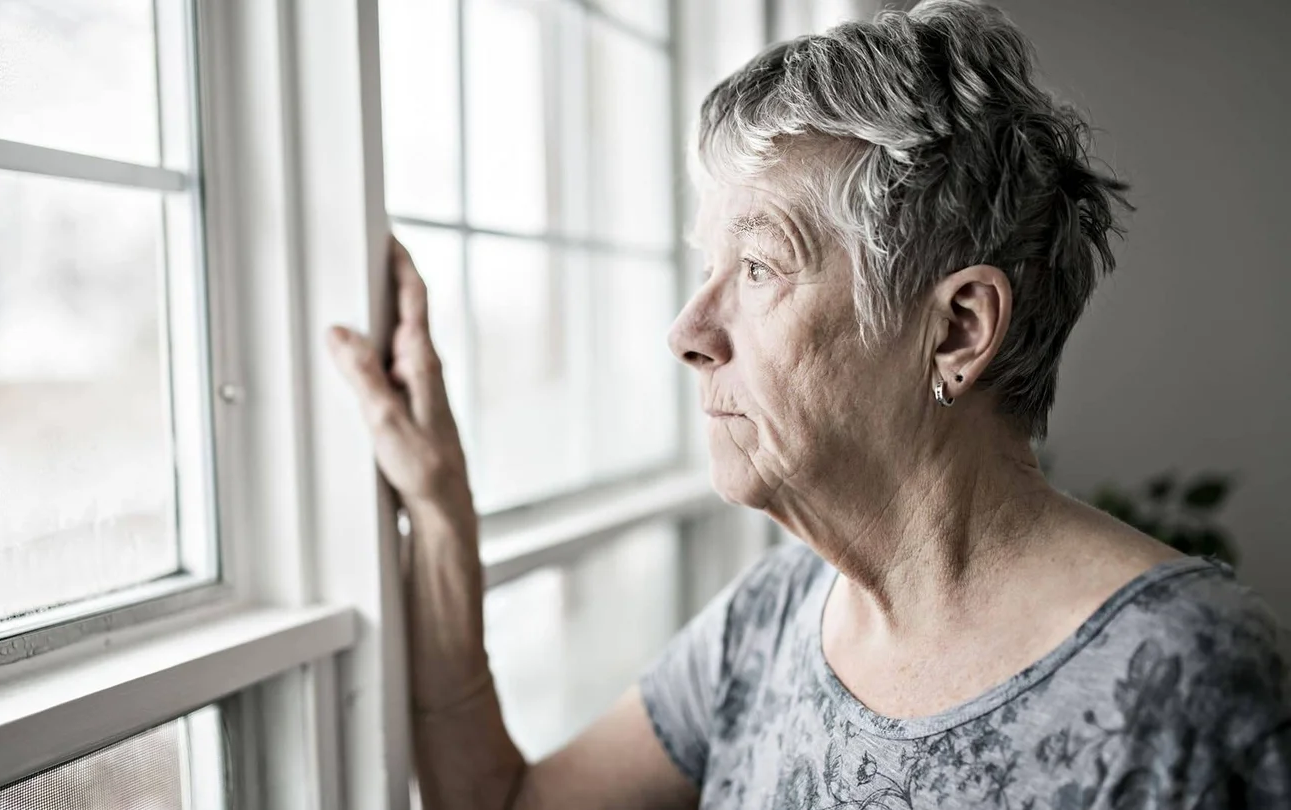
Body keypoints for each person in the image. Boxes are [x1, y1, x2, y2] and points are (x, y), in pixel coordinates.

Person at [327, 1, 1291, 806]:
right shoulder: (773, 617)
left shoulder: (1183, 680)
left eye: (757, 265)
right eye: (707, 268)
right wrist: (443, 517)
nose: (688, 330)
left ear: (957, 330)